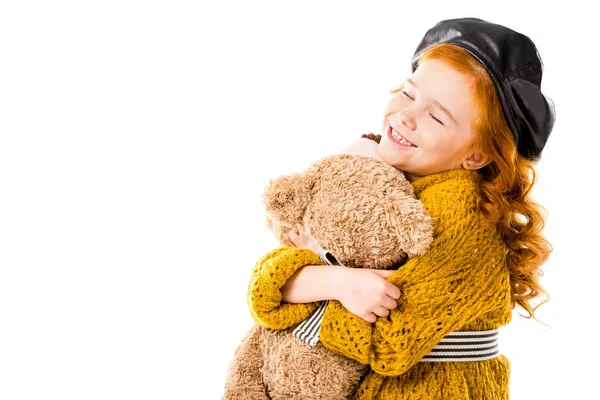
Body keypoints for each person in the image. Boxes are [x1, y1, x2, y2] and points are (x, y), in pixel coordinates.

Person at [246, 17, 555, 399]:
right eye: (409, 94)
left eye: (437, 116)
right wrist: (333, 282)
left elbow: (390, 343)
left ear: (476, 155)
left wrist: (306, 279)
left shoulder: (465, 215)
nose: (405, 116)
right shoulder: (381, 174)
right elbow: (268, 280)